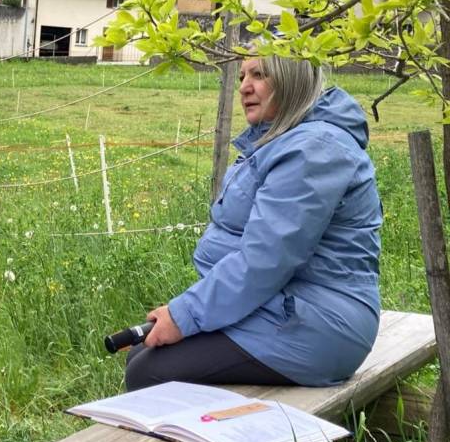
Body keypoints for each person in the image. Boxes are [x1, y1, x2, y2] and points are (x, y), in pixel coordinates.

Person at [125, 55, 382, 389]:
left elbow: (266, 259)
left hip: (320, 326)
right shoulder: (284, 138)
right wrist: (184, 313)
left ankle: (245, 435)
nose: (245, 87)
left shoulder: (314, 149)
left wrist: (184, 314)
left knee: (151, 373)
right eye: (242, 76)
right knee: (142, 355)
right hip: (286, 306)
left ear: (293, 80)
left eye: (259, 75)